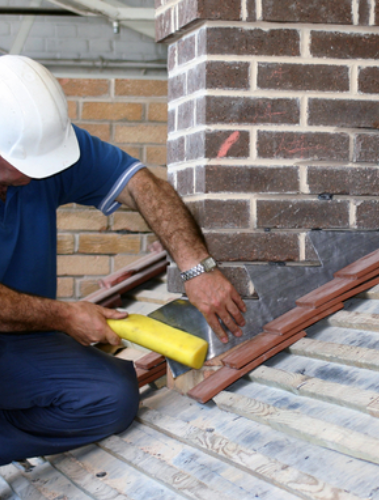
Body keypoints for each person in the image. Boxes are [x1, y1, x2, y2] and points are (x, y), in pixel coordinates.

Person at [0, 55, 246, 465]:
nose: (32, 175)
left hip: (18, 338)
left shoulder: (41, 148)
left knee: (111, 396)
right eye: (19, 167)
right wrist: (66, 317)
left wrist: (197, 267)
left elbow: (140, 184)